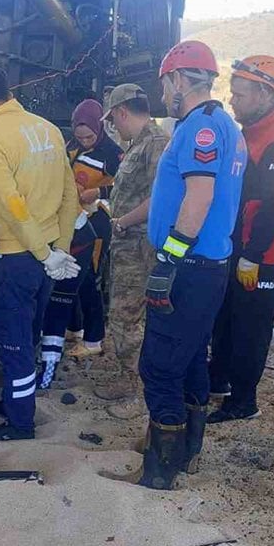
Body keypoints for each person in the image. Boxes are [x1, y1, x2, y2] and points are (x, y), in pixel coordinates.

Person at [105, 40, 246, 490]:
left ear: (180, 80)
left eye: (166, 84)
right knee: (189, 361)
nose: (163, 94)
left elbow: (199, 196)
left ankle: (159, 468)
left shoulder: (199, 129)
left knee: (159, 367)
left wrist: (170, 257)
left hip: (192, 266)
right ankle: (185, 456)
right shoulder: (223, 125)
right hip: (208, 266)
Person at [0, 66, 80, 441]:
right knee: (28, 336)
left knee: (12, 340)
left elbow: (10, 203)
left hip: (16, 256)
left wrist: (41, 252)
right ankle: (20, 402)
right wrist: (57, 252)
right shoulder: (48, 129)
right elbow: (69, 196)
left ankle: (19, 424)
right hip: (46, 256)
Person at [207, 56, 274, 423]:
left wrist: (252, 255)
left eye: (240, 94)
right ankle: (219, 381)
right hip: (238, 247)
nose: (233, 101)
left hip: (261, 254)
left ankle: (244, 401)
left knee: (251, 326)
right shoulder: (251, 132)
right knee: (226, 318)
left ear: (265, 93)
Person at [94, 83, 170, 411]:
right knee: (122, 315)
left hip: (140, 245)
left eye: (113, 120)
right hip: (128, 244)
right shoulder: (140, 143)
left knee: (129, 316)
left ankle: (140, 392)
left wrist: (123, 222)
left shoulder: (156, 144)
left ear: (122, 112)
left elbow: (159, 199)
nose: (113, 127)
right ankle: (127, 379)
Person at [37, 99, 120, 388]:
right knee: (79, 280)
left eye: (90, 137)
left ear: (100, 128)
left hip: (96, 223)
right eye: (81, 136)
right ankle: (77, 329)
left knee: (90, 281)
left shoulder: (112, 152)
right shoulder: (71, 145)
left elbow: (126, 185)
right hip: (72, 220)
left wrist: (98, 191)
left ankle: (94, 338)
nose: (85, 141)